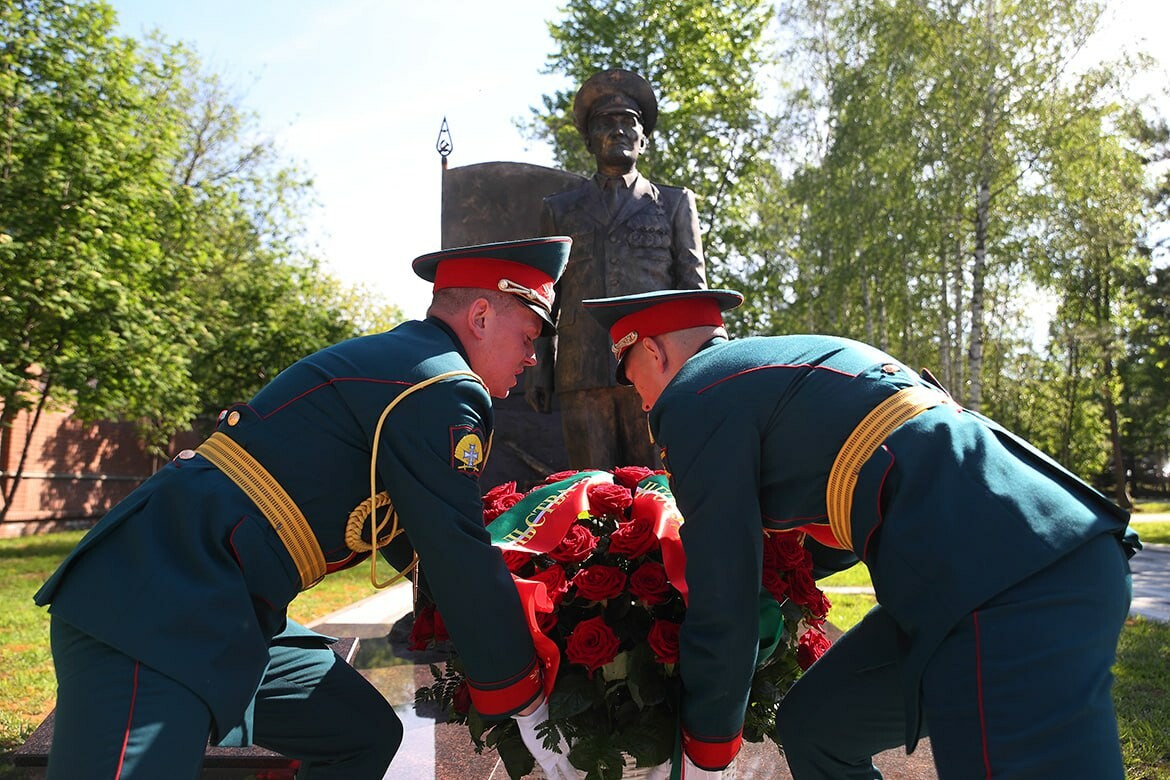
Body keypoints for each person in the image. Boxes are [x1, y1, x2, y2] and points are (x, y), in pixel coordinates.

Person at [33, 237, 577, 779]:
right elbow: (453, 550)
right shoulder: (442, 387)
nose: (533, 357)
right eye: (529, 336)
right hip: (156, 602)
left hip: (228, 605)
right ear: (481, 316)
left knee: (357, 734)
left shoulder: (410, 369)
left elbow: (416, 535)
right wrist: (522, 695)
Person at [582, 288, 1140, 779]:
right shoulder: (772, 375)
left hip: (1004, 582)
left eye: (636, 386)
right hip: (1005, 562)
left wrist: (705, 742)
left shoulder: (696, 394)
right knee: (819, 728)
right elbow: (842, 522)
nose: (646, 405)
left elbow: (724, 590)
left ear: (652, 351)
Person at [528, 68, 706, 471]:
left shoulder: (676, 204)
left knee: (657, 486)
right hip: (581, 368)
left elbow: (693, 291)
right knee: (591, 490)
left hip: (656, 365)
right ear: (589, 139)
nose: (620, 130)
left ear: (643, 139)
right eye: (607, 123)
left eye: (630, 122)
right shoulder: (558, 210)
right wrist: (540, 370)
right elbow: (544, 296)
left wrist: (697, 368)